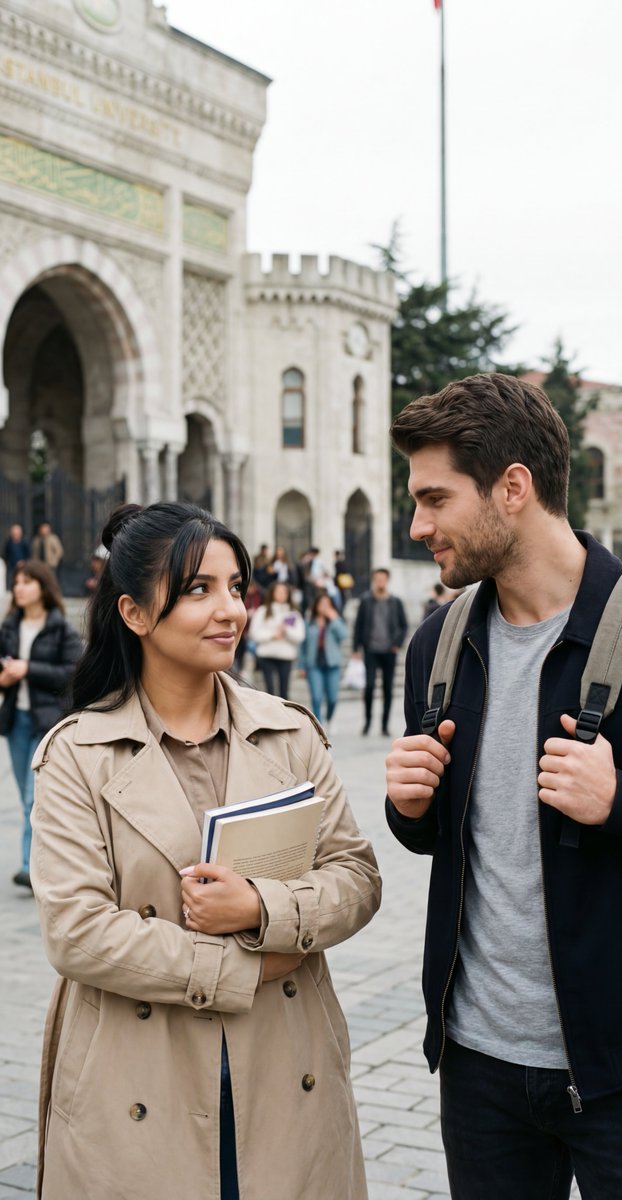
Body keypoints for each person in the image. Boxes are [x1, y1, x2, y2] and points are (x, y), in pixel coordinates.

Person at [30, 501, 381, 1200]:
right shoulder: (78, 754)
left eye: (235, 586)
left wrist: (260, 907)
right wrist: (243, 966)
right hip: (136, 1083)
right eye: (199, 590)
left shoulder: (290, 734)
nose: (231, 610)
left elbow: (357, 877)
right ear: (133, 613)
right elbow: (77, 931)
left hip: (287, 1070)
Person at [384, 371, 622, 1200]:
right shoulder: (434, 646)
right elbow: (447, 837)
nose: (418, 525)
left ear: (514, 488)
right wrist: (409, 809)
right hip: (477, 1069)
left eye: (436, 499)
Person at [0, 560, 82, 889]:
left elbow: (72, 673)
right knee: (24, 796)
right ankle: (36, 862)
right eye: (17, 582)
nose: (19, 587)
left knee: (36, 797)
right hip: (16, 719)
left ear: (43, 587)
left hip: (46, 720)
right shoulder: (9, 626)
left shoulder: (61, 628)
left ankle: (30, 866)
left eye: (26, 582)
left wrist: (27, 669)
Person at [352, 568, 408, 737]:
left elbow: (403, 625)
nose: (380, 582)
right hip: (371, 650)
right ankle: (368, 721)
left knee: (387, 689)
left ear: (387, 580)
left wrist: (397, 644)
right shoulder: (366, 600)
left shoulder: (395, 602)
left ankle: (384, 725)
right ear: (373, 580)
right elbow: (358, 625)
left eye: (383, 579)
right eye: (377, 579)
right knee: (369, 687)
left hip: (389, 651)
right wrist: (356, 647)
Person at [249, 579, 305, 698]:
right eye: (278, 591)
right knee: (269, 690)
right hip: (267, 655)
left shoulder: (293, 613)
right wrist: (272, 635)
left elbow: (300, 636)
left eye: (284, 592)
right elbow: (254, 633)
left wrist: (286, 631)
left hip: (286, 656)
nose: (281, 594)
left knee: (284, 691)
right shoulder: (263, 611)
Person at [304, 590, 348, 729]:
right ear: (316, 606)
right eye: (321, 604)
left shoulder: (335, 621)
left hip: (332, 664)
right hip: (314, 664)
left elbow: (344, 635)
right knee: (316, 698)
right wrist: (301, 665)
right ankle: (319, 726)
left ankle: (329, 718)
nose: (324, 607)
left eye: (327, 604)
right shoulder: (309, 622)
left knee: (332, 699)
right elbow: (302, 645)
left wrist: (335, 619)